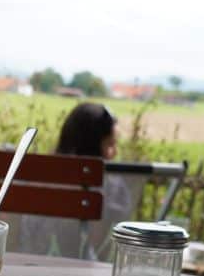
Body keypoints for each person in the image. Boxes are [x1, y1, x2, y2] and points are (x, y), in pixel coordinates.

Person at [11, 102, 139, 260]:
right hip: (79, 271)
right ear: (92, 147)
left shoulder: (34, 174)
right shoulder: (111, 188)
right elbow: (97, 245)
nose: (115, 152)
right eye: (110, 144)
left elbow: (11, 232)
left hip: (24, 265)